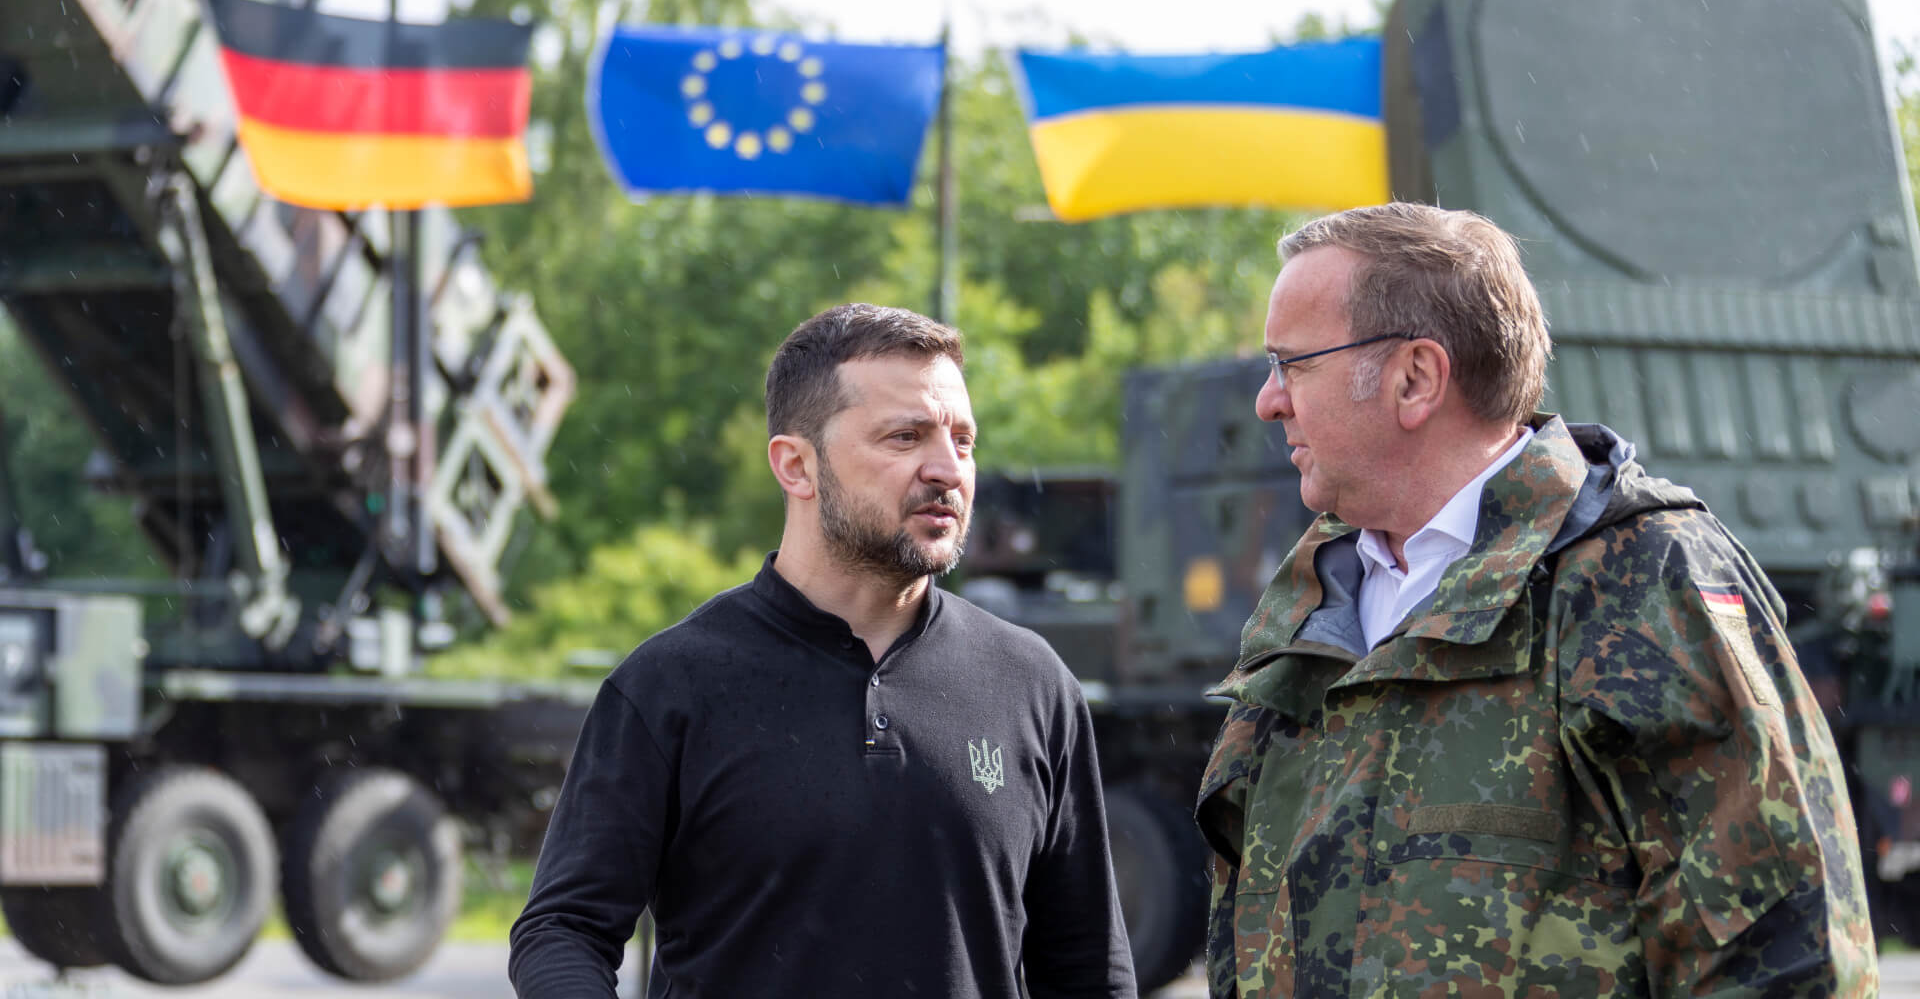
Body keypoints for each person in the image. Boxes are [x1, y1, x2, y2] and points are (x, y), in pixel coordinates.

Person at [1196, 203, 1876, 998]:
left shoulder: (1639, 578)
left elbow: (1784, 955)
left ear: (1414, 379)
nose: (1268, 401)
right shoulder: (1314, 602)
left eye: (1293, 364)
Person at [510, 303, 1136, 999]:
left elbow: (1086, 967)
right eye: (906, 437)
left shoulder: (1033, 685)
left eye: (964, 440)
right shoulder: (669, 688)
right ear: (796, 466)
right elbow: (562, 929)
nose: (948, 469)